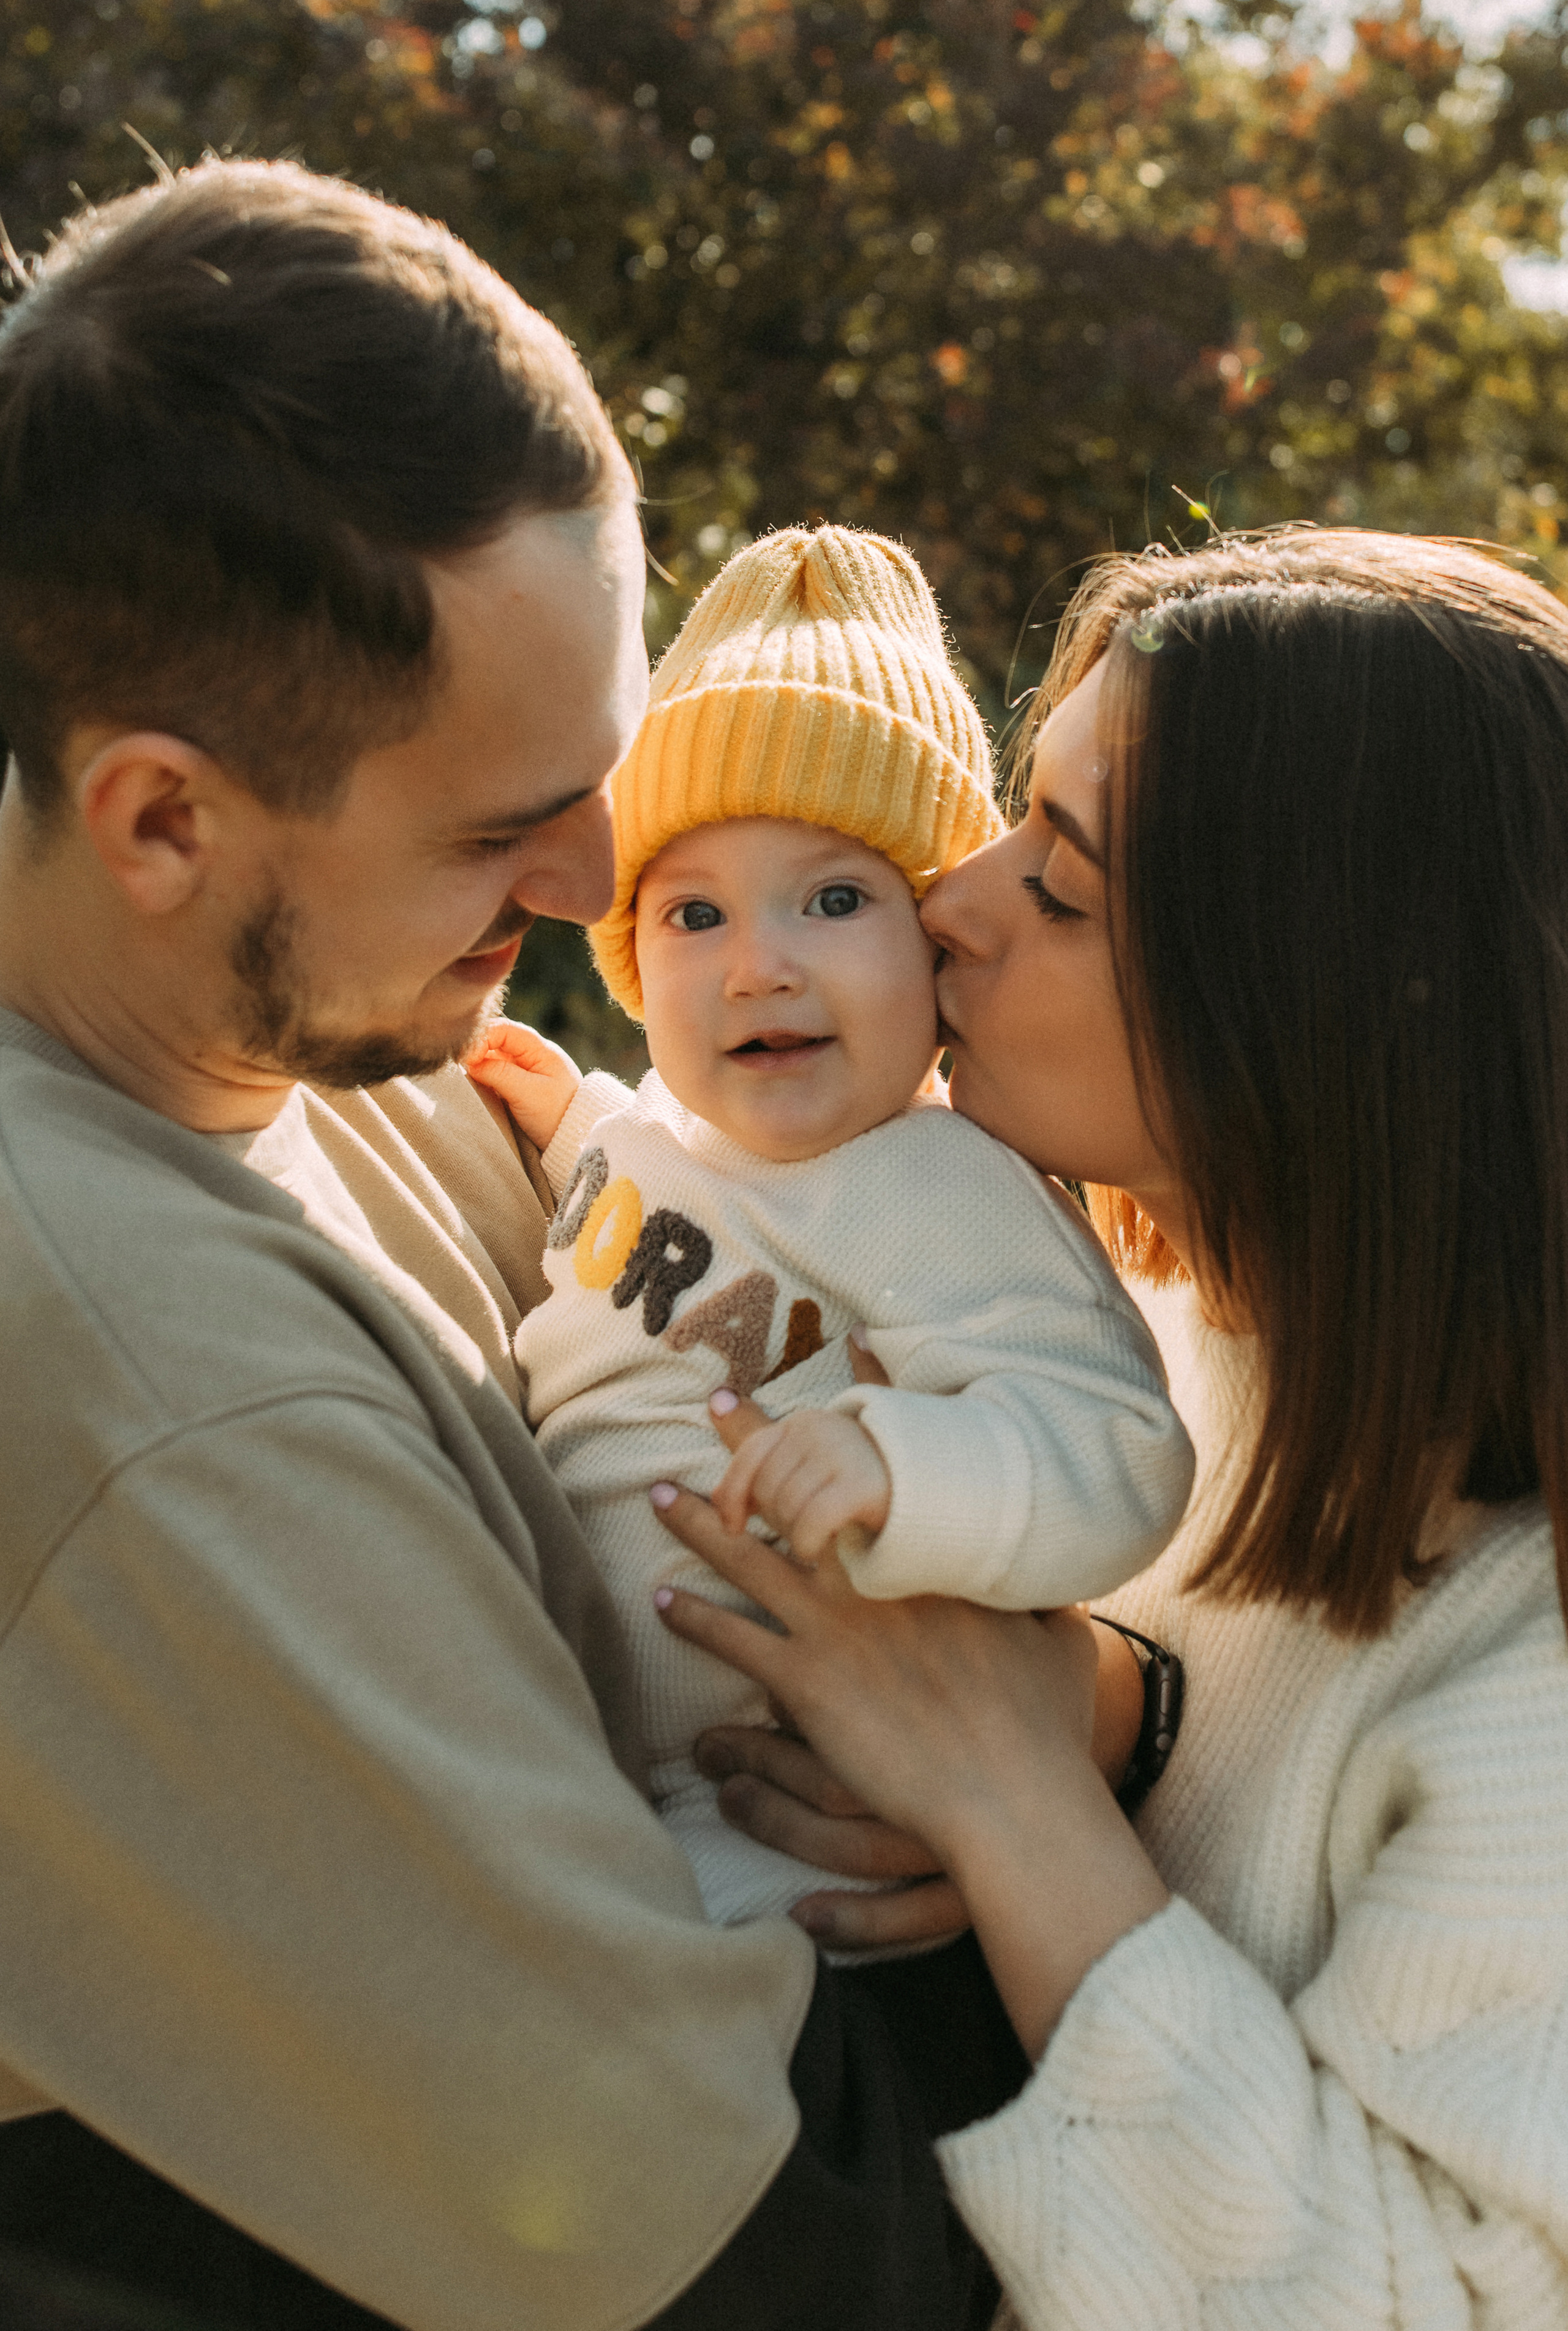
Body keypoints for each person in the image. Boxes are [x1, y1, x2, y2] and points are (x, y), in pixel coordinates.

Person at [0, 156, 1071, 2331]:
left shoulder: (316, 1044)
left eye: (604, 774)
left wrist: (1083, 1698)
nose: (604, 879)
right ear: (162, 819)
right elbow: (772, 2267)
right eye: (504, 825)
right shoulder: (158, 1399)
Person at [646, 527, 1568, 2322]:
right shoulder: (1127, 1354)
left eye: (1056, 887)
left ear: (1311, 1004)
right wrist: (1111, 1715)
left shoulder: (1533, 1689)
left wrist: (1017, 1814)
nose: (950, 900)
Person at [467, 521, 1193, 1929]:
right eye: (692, 914)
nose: (759, 967)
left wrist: (902, 1467)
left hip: (792, 1802)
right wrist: (570, 1123)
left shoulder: (935, 1184)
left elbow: (1109, 1445)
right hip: (606, 1748)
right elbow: (666, 1226)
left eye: (836, 899)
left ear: (934, 939)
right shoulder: (655, 1142)